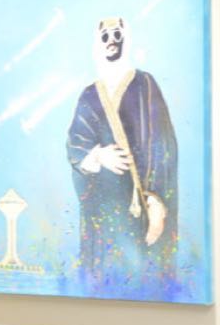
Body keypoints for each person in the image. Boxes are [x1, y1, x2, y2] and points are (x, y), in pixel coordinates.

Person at [67, 16, 178, 296]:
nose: (112, 41)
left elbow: (162, 146)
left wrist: (156, 201)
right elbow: (76, 145)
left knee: (142, 279)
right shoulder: (89, 95)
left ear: (125, 38)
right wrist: (97, 155)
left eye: (117, 34)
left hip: (140, 207)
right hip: (103, 209)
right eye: (105, 36)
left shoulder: (145, 86)